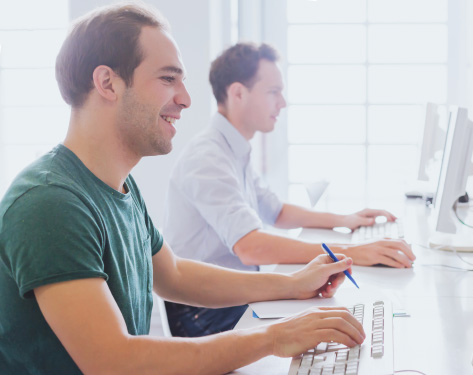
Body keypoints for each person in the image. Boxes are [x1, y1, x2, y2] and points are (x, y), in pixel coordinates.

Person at [0, 3, 367, 374]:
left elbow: (172, 274)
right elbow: (113, 361)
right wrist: (273, 338)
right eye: (167, 79)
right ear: (107, 83)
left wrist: (293, 285)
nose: (186, 99)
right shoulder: (49, 203)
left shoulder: (120, 186)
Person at [163, 42, 416, 337]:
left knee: (333, 308)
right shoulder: (207, 157)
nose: (282, 103)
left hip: (228, 297)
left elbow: (277, 211)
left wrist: (345, 220)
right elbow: (251, 247)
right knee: (329, 317)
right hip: (203, 313)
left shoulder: (232, 149)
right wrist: (351, 254)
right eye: (273, 92)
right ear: (238, 93)